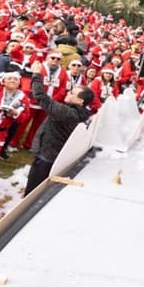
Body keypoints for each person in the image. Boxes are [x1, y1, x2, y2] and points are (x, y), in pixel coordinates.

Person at [23, 59, 93, 195]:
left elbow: (41, 97)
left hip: (47, 156)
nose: (69, 92)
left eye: (72, 93)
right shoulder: (79, 113)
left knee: (33, 190)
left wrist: (37, 75)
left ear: (80, 101)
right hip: (53, 154)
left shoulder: (68, 113)